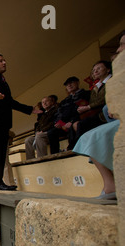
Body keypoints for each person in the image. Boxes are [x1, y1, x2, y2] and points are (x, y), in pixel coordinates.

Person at [72, 32, 124, 201]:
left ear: (107, 69)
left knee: (90, 133)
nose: (118, 48)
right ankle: (111, 185)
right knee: (87, 133)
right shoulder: (97, 86)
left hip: (111, 115)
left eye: (122, 44)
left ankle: (111, 186)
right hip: (109, 115)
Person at [0, 53, 42, 191]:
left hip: (4, 122)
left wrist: (30, 109)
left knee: (2, 153)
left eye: (4, 60)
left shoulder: (4, 82)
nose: (4, 62)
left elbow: (10, 102)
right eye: (0, 61)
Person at [70, 60, 113, 146]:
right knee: (75, 123)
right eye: (94, 70)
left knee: (82, 124)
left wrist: (88, 107)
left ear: (108, 70)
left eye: (99, 68)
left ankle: (78, 147)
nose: (95, 71)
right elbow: (93, 102)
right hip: (97, 113)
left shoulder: (112, 81)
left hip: (108, 112)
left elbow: (105, 99)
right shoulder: (95, 87)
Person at [46, 76, 90, 153]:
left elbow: (82, 110)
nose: (69, 85)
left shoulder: (86, 94)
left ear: (78, 83)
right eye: (67, 84)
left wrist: (72, 121)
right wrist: (59, 123)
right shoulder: (64, 101)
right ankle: (55, 154)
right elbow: (58, 114)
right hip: (64, 125)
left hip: (78, 121)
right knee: (51, 132)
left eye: (71, 82)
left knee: (74, 126)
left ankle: (74, 149)